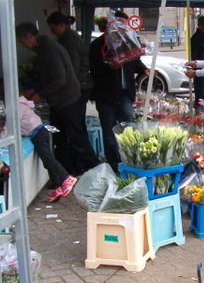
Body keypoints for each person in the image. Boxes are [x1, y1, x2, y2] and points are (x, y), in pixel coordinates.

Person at [15, 22, 100, 175]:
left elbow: (59, 79)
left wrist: (38, 96)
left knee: (76, 137)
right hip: (61, 101)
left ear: (29, 37)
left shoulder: (48, 49)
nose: (22, 46)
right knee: (61, 138)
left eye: (22, 41)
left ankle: (95, 170)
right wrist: (35, 90)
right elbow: (48, 77)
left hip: (68, 100)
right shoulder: (44, 48)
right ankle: (67, 173)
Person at [89, 13, 149, 171]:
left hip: (125, 93)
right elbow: (93, 68)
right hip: (106, 95)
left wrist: (144, 70)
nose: (121, 29)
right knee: (109, 131)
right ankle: (114, 164)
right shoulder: (98, 44)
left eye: (124, 26)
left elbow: (135, 61)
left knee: (128, 128)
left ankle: (128, 159)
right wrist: (109, 67)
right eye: (118, 25)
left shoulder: (127, 42)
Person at [0, 89, 77, 203]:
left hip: (37, 133)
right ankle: (57, 187)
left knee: (48, 159)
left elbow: (11, 126)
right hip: (39, 131)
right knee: (47, 161)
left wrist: (1, 139)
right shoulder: (20, 104)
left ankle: (66, 177)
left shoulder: (17, 107)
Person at [46, 11, 95, 174]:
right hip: (80, 86)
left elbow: (71, 69)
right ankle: (79, 164)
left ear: (61, 26)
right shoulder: (67, 38)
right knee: (75, 128)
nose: (52, 32)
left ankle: (89, 165)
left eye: (53, 28)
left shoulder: (69, 40)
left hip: (79, 88)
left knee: (75, 129)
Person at [190, 15, 204, 107]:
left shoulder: (202, 37)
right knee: (200, 91)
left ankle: (199, 108)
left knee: (201, 90)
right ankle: (199, 109)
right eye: (202, 25)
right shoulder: (198, 37)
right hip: (200, 67)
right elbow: (198, 55)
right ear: (198, 25)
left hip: (202, 67)